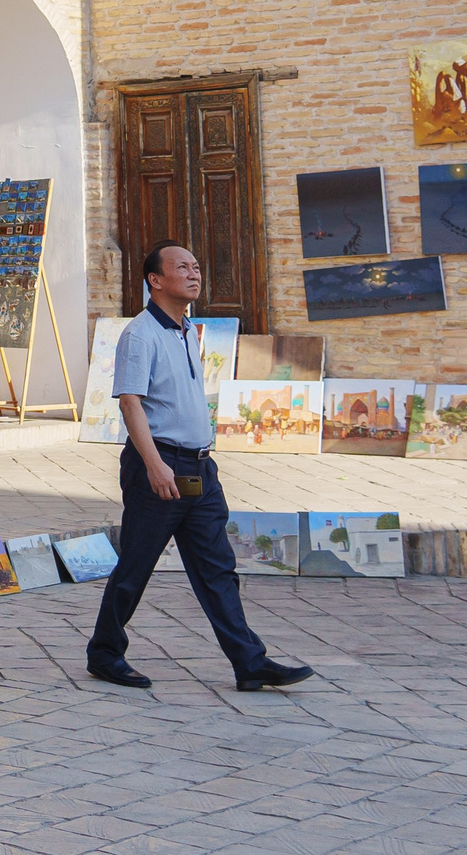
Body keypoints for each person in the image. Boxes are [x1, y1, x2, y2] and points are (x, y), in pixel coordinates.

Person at [86, 241, 312, 693]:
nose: (194, 274)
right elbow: (130, 403)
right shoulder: (140, 335)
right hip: (160, 467)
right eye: (182, 267)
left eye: (196, 266)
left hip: (199, 470)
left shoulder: (188, 330)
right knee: (136, 565)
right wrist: (154, 465)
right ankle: (105, 654)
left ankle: (250, 663)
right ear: (155, 280)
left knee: (217, 568)